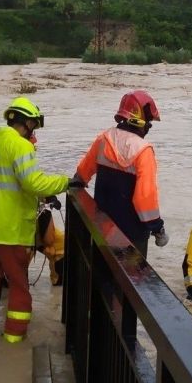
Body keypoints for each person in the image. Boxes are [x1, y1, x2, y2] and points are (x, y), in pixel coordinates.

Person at [0, 97, 69, 342]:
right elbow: (32, 182)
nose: (33, 130)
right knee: (18, 285)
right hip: (10, 230)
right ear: (26, 122)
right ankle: (14, 338)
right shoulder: (20, 146)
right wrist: (65, 181)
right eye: (33, 125)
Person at [72, 90, 168, 257]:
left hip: (102, 227)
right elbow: (144, 200)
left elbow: (81, 175)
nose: (148, 128)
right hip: (132, 235)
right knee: (132, 278)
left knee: (102, 275)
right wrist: (158, 229)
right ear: (141, 122)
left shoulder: (104, 140)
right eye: (149, 123)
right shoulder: (144, 151)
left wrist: (74, 189)